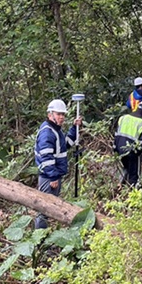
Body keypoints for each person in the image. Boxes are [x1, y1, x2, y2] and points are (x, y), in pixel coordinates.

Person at [33, 98, 83, 229]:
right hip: (48, 178)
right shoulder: (47, 132)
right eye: (58, 114)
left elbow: (65, 145)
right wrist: (53, 177)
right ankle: (40, 239)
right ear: (50, 115)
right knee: (44, 208)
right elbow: (46, 158)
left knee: (49, 207)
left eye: (63, 114)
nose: (61, 117)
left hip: (53, 176)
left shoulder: (56, 130)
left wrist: (74, 128)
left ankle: (44, 235)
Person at [113, 100, 142, 186]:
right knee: (134, 175)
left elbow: (116, 135)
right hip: (133, 153)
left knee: (125, 169)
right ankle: (133, 192)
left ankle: (121, 188)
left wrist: (115, 148)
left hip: (120, 150)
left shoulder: (123, 118)